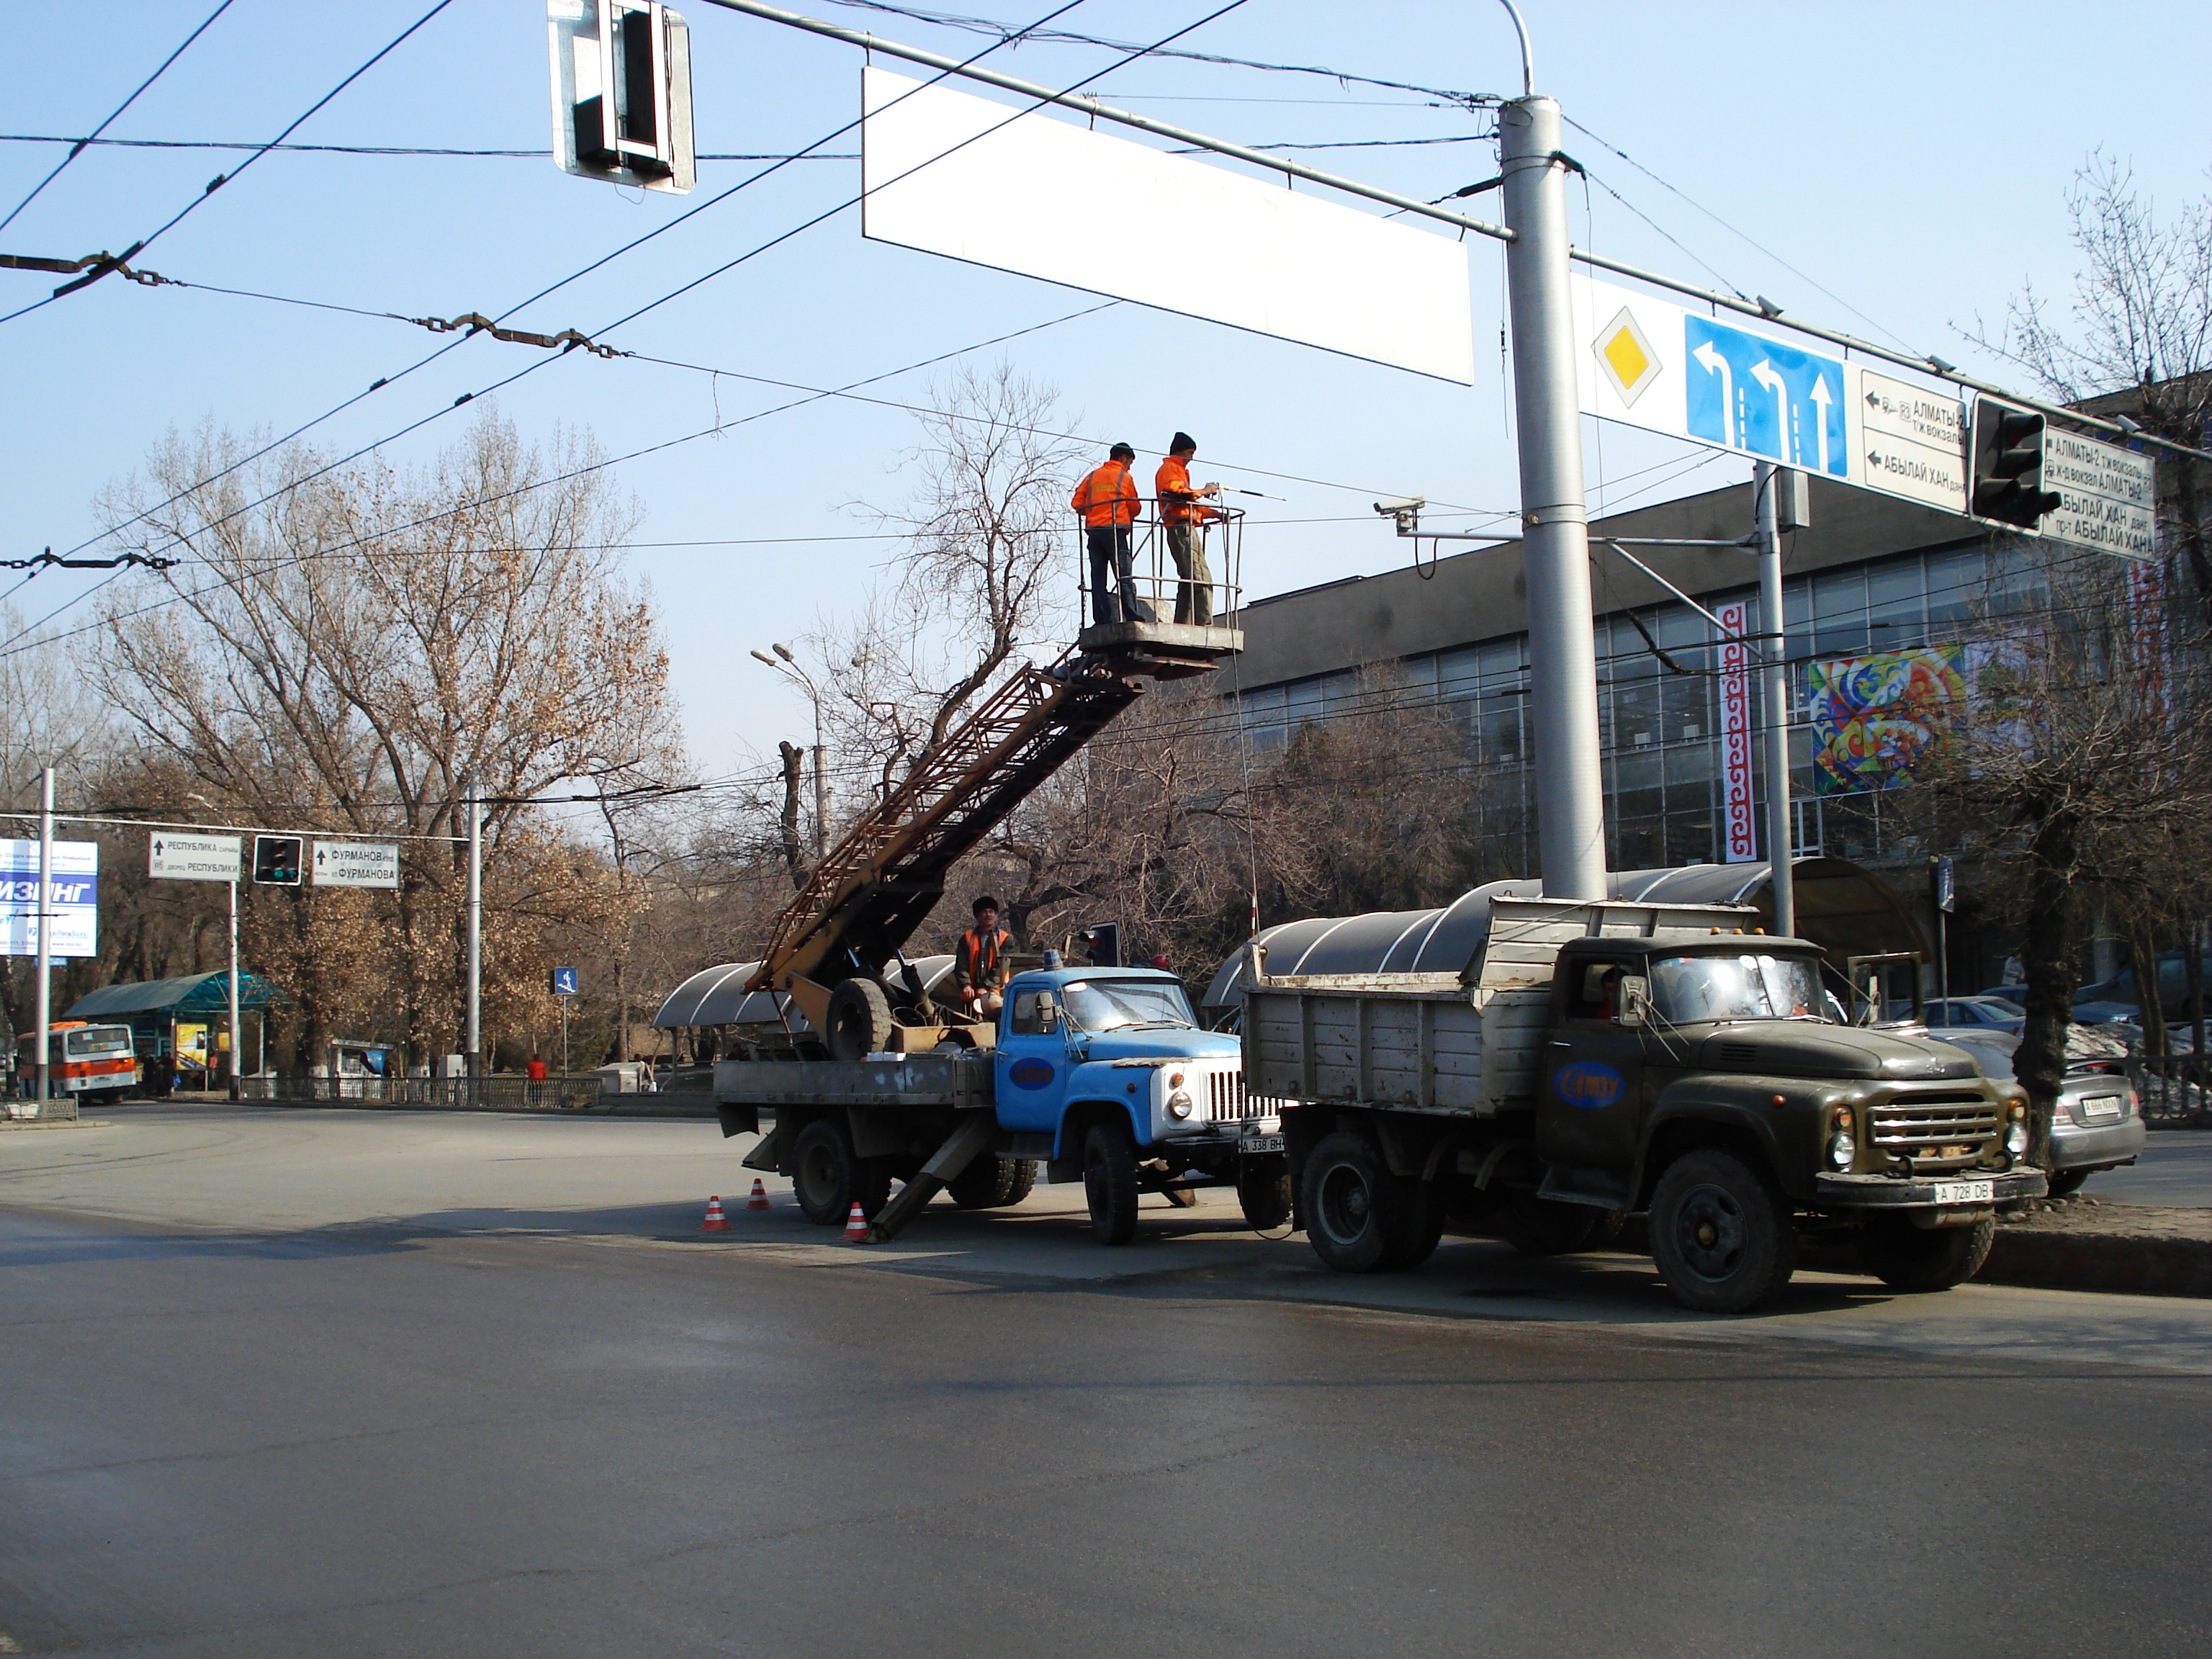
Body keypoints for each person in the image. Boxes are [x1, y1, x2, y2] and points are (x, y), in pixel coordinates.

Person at [1071, 443, 1153, 625]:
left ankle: (1101, 619)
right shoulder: (1124, 476)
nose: (1129, 467)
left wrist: (1094, 512)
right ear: (1124, 458)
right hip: (1115, 530)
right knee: (1124, 574)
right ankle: (1132, 614)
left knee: (1098, 578)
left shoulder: (1092, 477)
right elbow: (1135, 506)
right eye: (1130, 463)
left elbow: (1077, 504)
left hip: (1094, 531)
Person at [1154, 431, 1220, 625]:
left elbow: (1187, 504)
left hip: (1182, 526)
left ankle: (1182, 622)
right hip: (1180, 529)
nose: (1191, 458)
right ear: (1182, 452)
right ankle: (1205, 624)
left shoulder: (1177, 471)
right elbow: (1177, 495)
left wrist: (1215, 514)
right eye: (1190, 453)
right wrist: (1205, 491)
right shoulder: (1170, 469)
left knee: (1188, 579)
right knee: (1201, 577)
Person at [954, 895, 1014, 1020]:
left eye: (991, 912)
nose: (988, 915)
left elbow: (1001, 966)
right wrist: (966, 985)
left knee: (998, 1021)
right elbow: (961, 966)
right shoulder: (967, 938)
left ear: (996, 916)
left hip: (996, 993)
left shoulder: (1005, 939)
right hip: (971, 996)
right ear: (977, 917)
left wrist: (987, 987)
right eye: (984, 912)